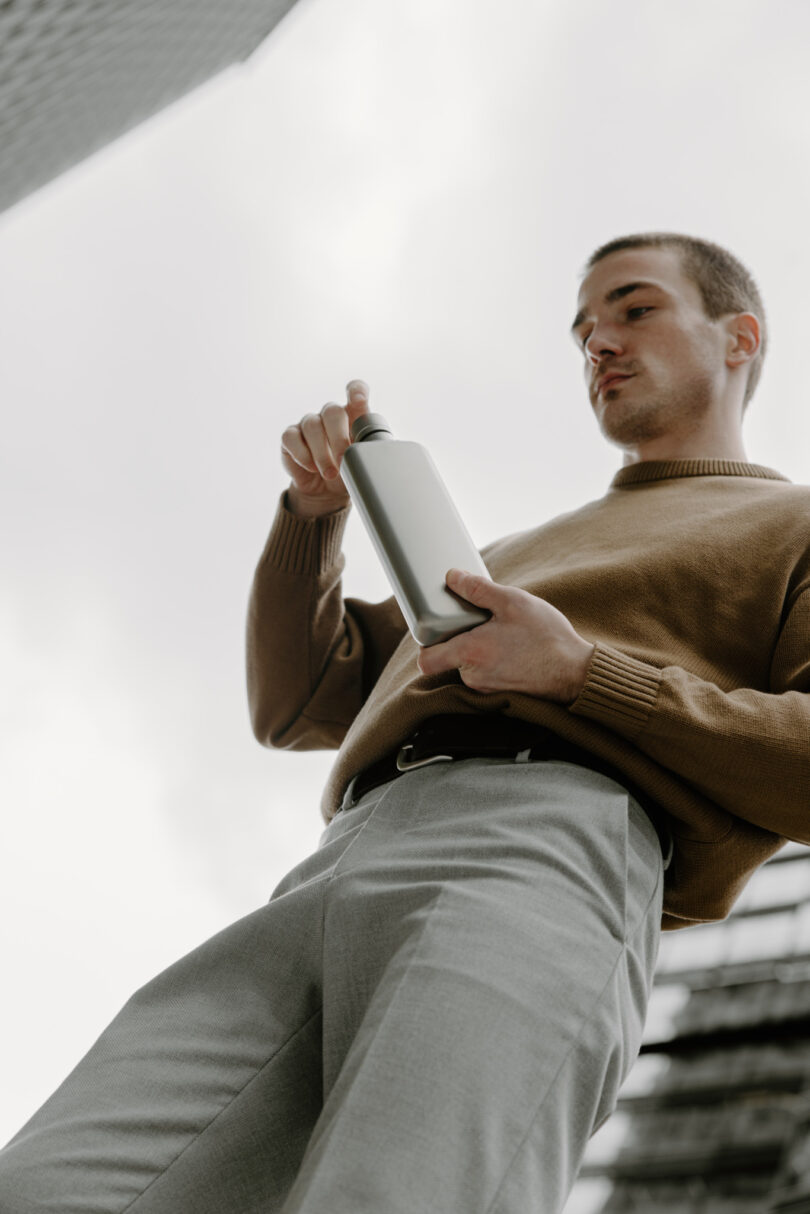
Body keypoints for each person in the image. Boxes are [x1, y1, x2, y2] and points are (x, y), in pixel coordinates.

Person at [1, 232, 808, 1214]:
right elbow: (297, 698)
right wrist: (312, 515)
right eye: (582, 327)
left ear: (740, 337)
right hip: (342, 851)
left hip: (548, 845)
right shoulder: (507, 555)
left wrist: (583, 672)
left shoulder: (790, 525)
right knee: (46, 1184)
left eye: (634, 308)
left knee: (395, 1192)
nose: (598, 340)